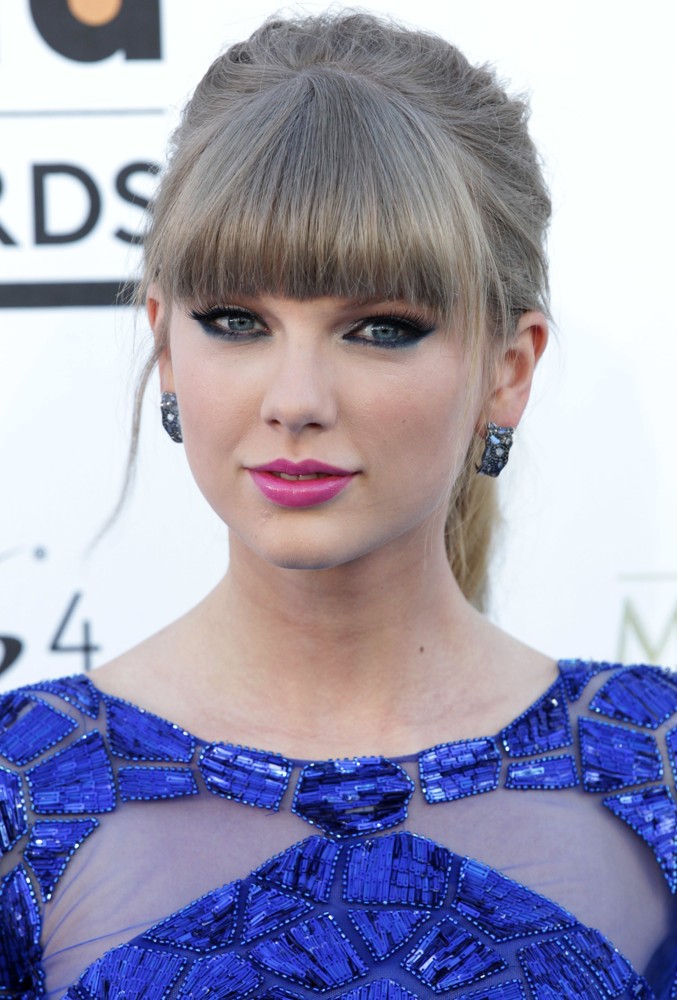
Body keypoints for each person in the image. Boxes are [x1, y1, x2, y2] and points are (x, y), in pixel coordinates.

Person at [1, 11, 675, 998]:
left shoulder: (653, 771)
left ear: (507, 368)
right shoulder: (23, 793)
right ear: (165, 344)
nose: (295, 400)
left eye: (379, 327)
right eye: (236, 321)